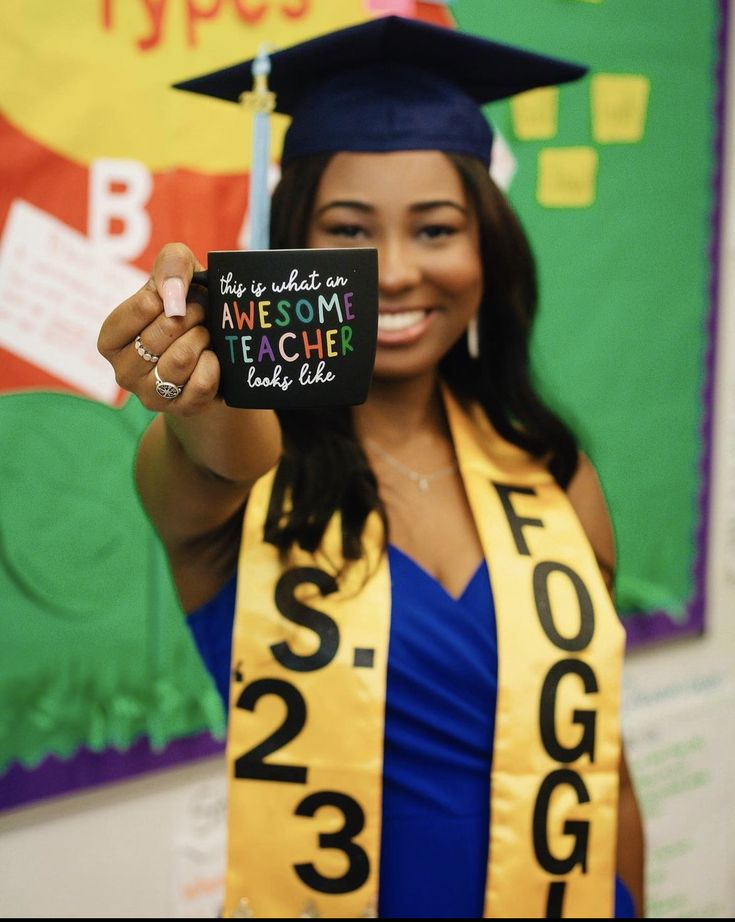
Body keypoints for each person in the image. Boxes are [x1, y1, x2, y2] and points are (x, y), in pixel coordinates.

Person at [98, 16, 644, 919]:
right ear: (293, 256)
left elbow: (606, 775)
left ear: (486, 251)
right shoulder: (247, 479)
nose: (392, 272)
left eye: (435, 230)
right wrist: (207, 382)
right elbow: (221, 449)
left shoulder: (553, 474)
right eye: (348, 229)